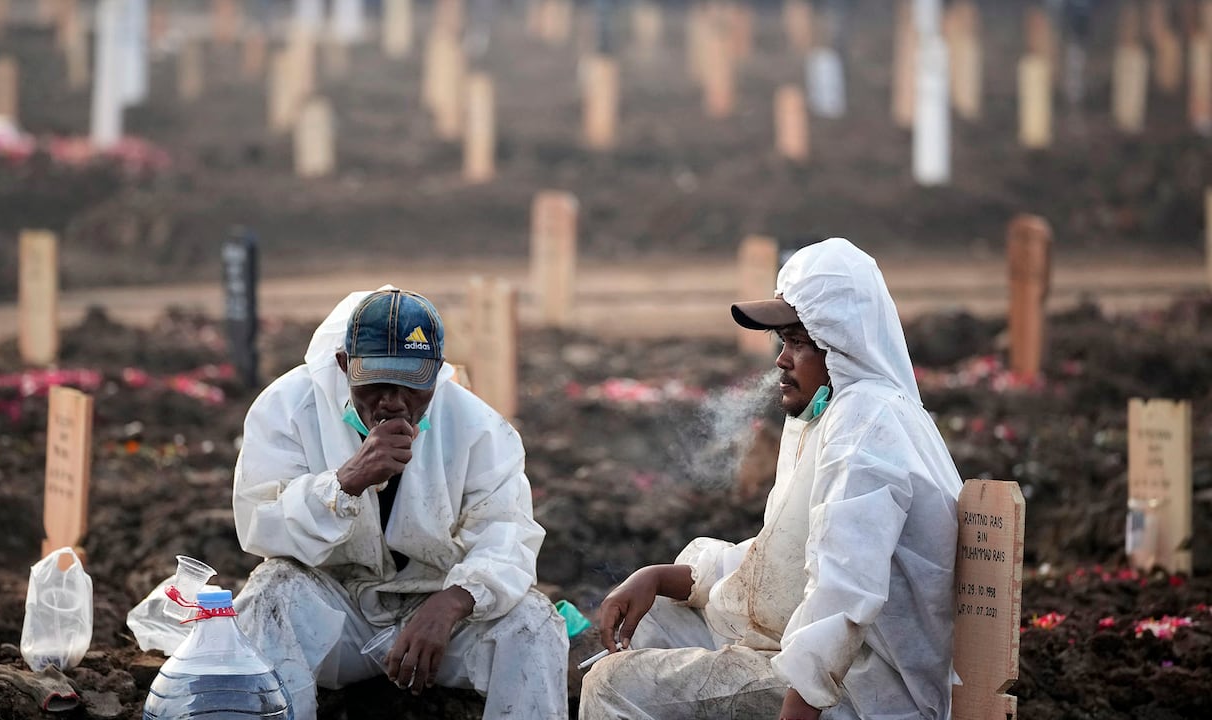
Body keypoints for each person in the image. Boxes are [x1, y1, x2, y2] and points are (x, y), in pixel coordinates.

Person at [579, 238, 962, 720]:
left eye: (799, 342)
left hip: (866, 695)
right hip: (834, 673)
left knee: (614, 686)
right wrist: (658, 577)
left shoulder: (865, 429)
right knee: (655, 617)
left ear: (843, 346)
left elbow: (841, 596)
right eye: (783, 341)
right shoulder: (838, 415)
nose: (782, 359)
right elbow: (786, 560)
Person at [231, 286, 568, 719]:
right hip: (338, 614)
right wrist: (345, 484)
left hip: (436, 623)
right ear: (344, 365)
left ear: (435, 375)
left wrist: (452, 603)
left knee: (533, 621)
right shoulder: (287, 409)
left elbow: (507, 534)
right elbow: (260, 523)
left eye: (412, 386)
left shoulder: (478, 427)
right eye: (375, 384)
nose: (392, 402)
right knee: (269, 593)